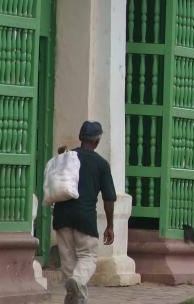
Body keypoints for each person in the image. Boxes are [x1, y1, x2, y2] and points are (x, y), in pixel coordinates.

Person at [52, 121, 116, 304]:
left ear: (80, 138)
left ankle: (75, 297)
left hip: (62, 215)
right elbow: (109, 198)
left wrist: (60, 155)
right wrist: (110, 225)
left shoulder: (67, 157)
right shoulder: (101, 164)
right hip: (85, 218)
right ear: (97, 141)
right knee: (87, 257)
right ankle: (77, 282)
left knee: (68, 260)